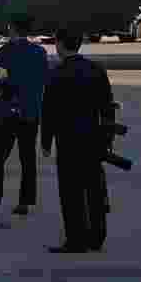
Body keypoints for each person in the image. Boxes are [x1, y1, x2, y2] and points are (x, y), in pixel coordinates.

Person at [39, 27, 120, 254]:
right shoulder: (96, 70)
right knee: (94, 188)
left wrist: (46, 140)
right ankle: (97, 237)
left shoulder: (57, 73)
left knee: (71, 191)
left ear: (60, 44)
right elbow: (107, 107)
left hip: (68, 139)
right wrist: (108, 137)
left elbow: (49, 110)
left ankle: (76, 238)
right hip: (93, 135)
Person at [0, 23, 48, 215]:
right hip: (30, 111)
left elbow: (1, 81)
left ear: (12, 29)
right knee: (27, 158)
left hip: (9, 111)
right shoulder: (40, 52)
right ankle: (25, 201)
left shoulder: (5, 52)